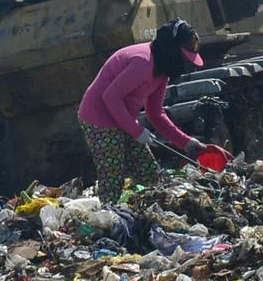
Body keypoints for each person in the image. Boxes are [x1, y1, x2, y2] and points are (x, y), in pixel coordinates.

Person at [77, 21, 230, 202]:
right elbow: (110, 97)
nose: (184, 63)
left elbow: (155, 113)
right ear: (171, 49)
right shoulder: (142, 63)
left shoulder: (162, 71)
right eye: (183, 57)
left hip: (124, 118)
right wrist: (136, 131)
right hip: (99, 118)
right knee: (113, 176)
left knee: (149, 173)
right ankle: (108, 221)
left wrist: (186, 142)